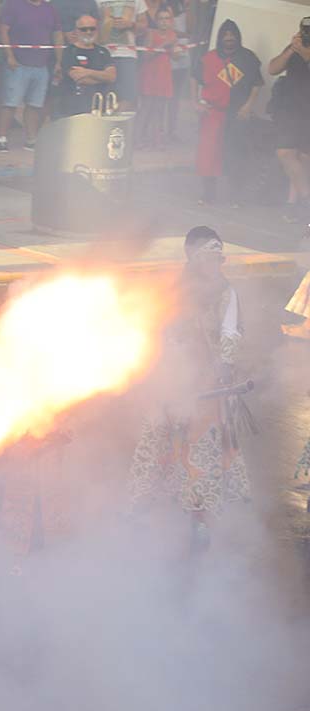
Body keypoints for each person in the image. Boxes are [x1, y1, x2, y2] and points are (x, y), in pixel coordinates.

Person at [129, 226, 250, 552]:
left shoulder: (226, 292)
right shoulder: (173, 289)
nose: (216, 260)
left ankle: (199, 517)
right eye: (209, 252)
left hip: (208, 387)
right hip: (172, 379)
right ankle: (154, 508)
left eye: (219, 254)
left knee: (202, 453)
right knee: (161, 442)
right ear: (192, 255)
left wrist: (222, 370)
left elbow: (230, 334)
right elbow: (157, 329)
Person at [192, 19, 261, 206]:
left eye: (232, 35)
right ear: (220, 37)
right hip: (212, 114)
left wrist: (248, 106)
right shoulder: (209, 58)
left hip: (236, 115)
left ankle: (235, 196)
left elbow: (256, 84)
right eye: (225, 35)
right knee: (208, 155)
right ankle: (208, 194)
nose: (229, 38)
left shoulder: (248, 58)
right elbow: (195, 78)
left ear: (237, 37)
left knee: (235, 154)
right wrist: (196, 102)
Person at [0, 0, 59, 150]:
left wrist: (59, 61)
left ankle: (31, 139)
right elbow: (3, 30)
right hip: (18, 64)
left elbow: (57, 34)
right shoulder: (13, 5)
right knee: (10, 103)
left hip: (41, 65)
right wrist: (9, 55)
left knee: (34, 105)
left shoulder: (49, 8)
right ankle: (1, 138)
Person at [267, 18, 310, 223]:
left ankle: (294, 203)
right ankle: (305, 199)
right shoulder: (296, 47)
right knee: (285, 152)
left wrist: (303, 52)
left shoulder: (304, 50)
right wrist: (292, 49)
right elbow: (273, 68)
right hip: (291, 109)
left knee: (304, 159)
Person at [53, 13, 113, 117]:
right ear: (76, 31)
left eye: (92, 29)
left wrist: (87, 72)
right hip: (72, 106)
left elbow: (111, 77)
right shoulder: (69, 51)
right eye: (84, 29)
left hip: (98, 106)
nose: (88, 32)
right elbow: (79, 78)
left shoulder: (104, 52)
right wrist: (102, 76)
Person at [135, 5, 175, 146]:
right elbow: (145, 55)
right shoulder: (151, 33)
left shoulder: (172, 35)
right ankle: (138, 139)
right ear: (156, 21)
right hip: (150, 74)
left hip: (164, 74)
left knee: (160, 109)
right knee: (146, 108)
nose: (164, 22)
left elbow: (174, 56)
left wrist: (175, 51)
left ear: (171, 20)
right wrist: (163, 46)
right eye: (161, 19)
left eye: (167, 18)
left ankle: (157, 141)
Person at [96, 0, 143, 111]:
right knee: (104, 96)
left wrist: (131, 24)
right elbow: (92, 23)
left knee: (127, 97)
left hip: (127, 55)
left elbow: (144, 25)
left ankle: (120, 126)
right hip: (103, 53)